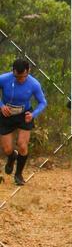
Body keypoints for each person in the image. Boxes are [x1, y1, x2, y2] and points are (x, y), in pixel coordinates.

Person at [0, 58, 47, 186]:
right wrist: (1, 105)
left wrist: (33, 114)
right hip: (6, 115)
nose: (20, 79)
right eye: (17, 77)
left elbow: (43, 102)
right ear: (13, 71)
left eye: (23, 76)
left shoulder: (34, 84)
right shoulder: (4, 79)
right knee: (7, 148)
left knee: (22, 144)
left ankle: (19, 174)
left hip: (24, 115)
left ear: (28, 71)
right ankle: (11, 157)